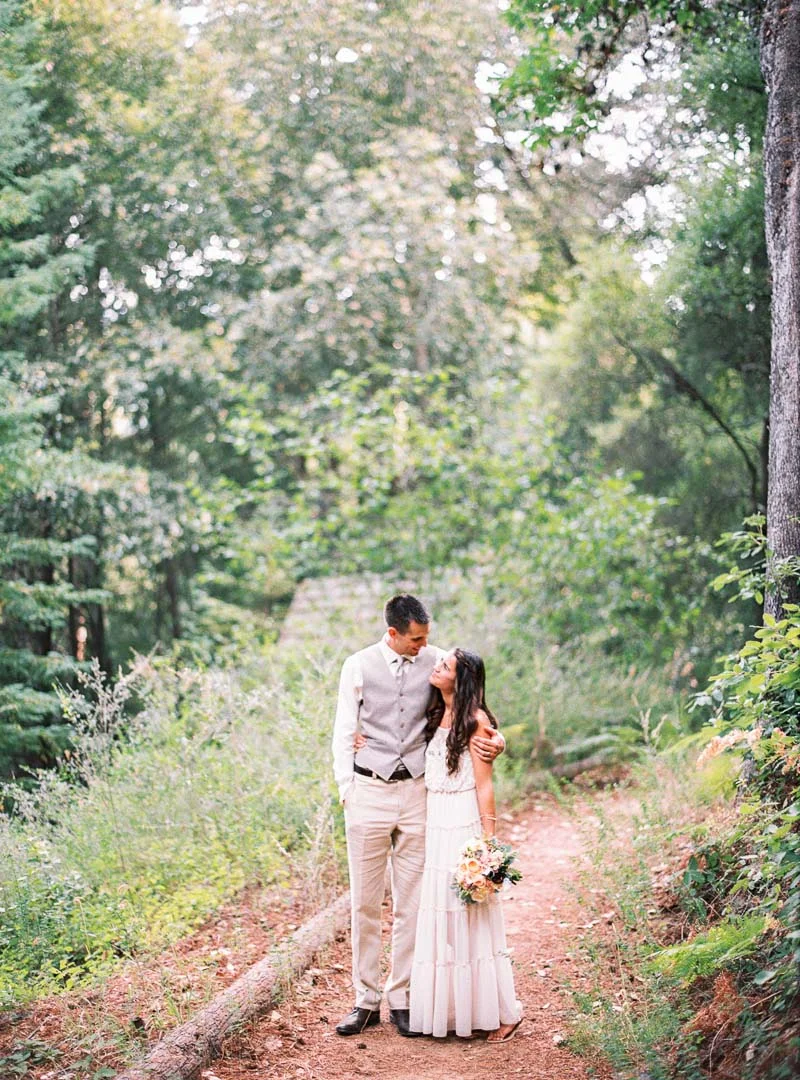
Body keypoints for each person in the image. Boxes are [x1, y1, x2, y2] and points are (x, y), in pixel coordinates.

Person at [331, 594, 505, 1038]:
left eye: (426, 638)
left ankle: (402, 997)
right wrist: (347, 789)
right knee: (365, 902)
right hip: (367, 789)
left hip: (417, 794)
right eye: (415, 638)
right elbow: (343, 729)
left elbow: (470, 703)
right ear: (393, 632)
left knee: (412, 902)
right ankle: (365, 1000)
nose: (423, 645)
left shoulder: (434, 661)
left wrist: (496, 740)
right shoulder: (357, 665)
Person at [408, 648, 522, 1042]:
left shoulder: (477, 721)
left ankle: (504, 1011)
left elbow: (485, 783)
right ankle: (455, 1009)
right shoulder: (436, 713)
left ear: (461, 680)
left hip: (463, 823)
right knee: (443, 915)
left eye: (445, 666)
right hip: (436, 821)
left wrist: (488, 845)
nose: (436, 667)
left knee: (472, 914)